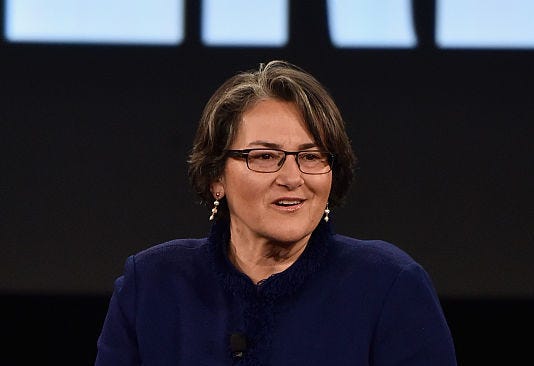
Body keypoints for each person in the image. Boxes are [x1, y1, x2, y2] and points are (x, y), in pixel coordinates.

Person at [95, 60, 457, 365]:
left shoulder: (389, 285)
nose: (292, 178)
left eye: (311, 156)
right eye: (265, 156)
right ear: (215, 176)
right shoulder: (152, 285)